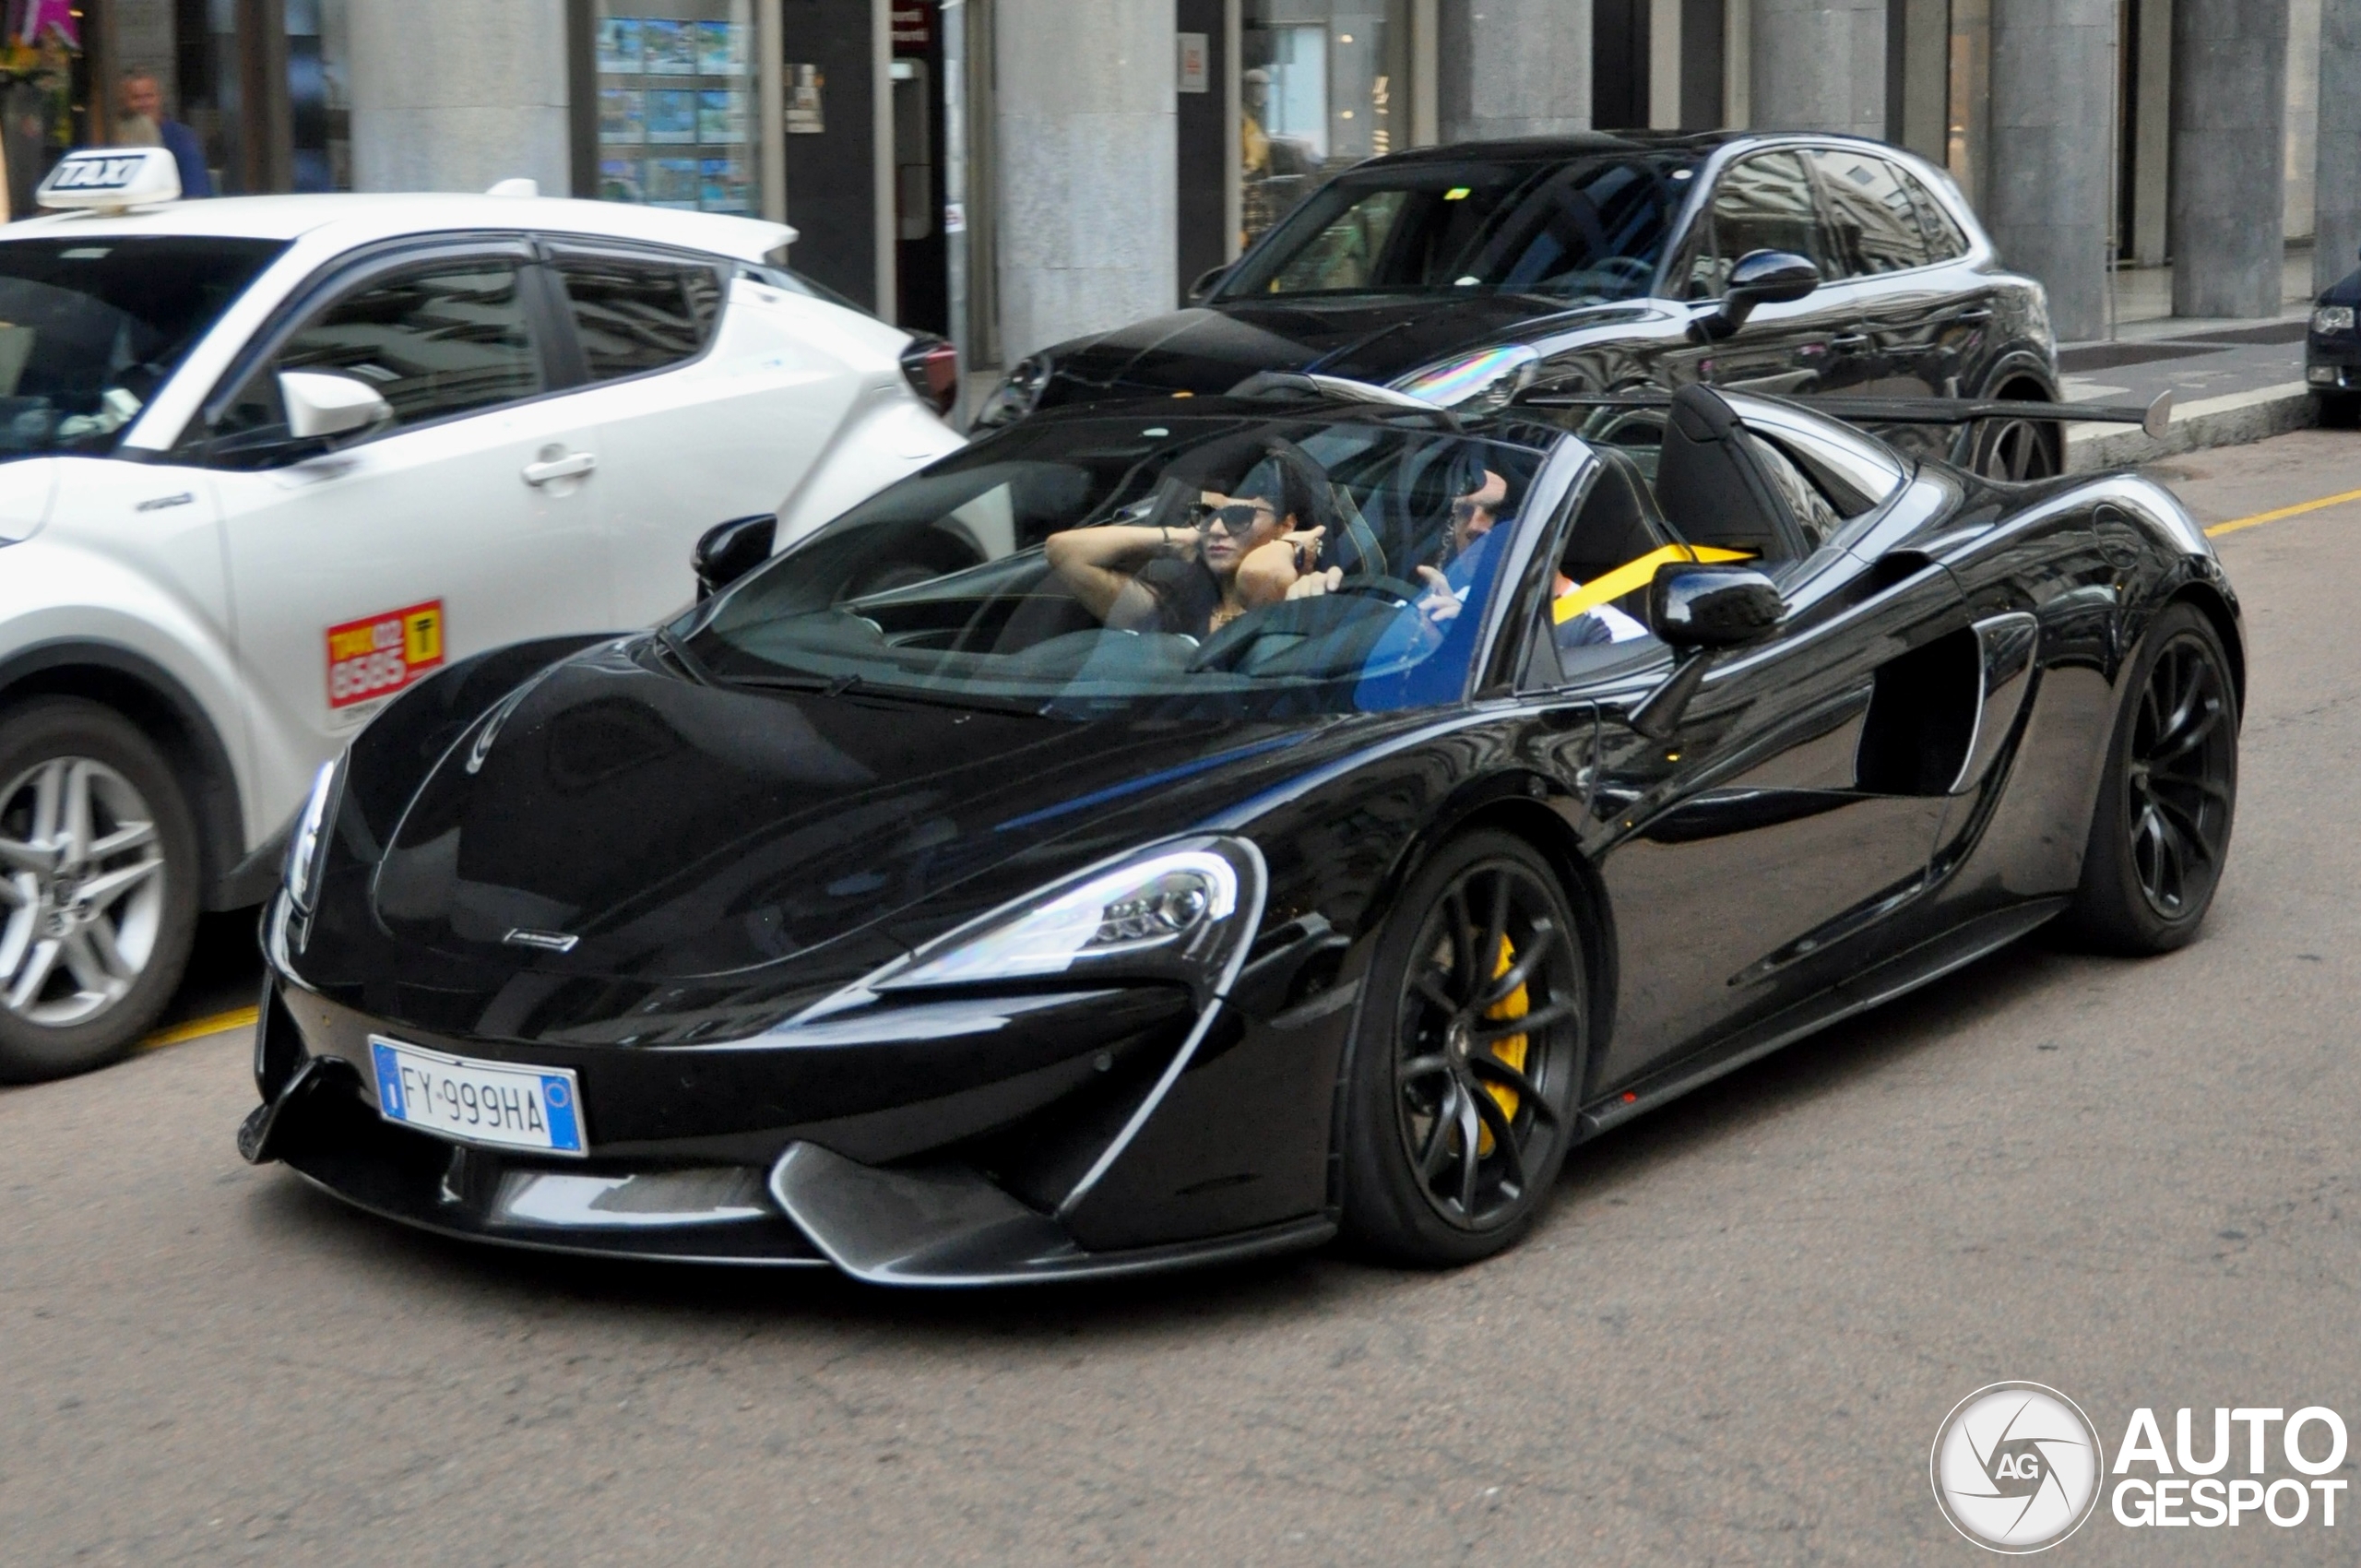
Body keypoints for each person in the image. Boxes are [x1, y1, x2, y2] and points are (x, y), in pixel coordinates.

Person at [1046, 443, 1327, 640]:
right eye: (1205, 514)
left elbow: (1260, 577)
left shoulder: (1303, 593)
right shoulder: (1175, 606)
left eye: (1238, 516)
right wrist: (1180, 539)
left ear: (1286, 524)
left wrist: (1284, 550)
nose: (1216, 528)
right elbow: (1065, 551)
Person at [117, 71, 210, 197]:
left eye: (149, 96)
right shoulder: (115, 137)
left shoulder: (182, 137)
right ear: (124, 102)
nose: (144, 104)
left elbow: (196, 192)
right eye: (136, 98)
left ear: (160, 98)